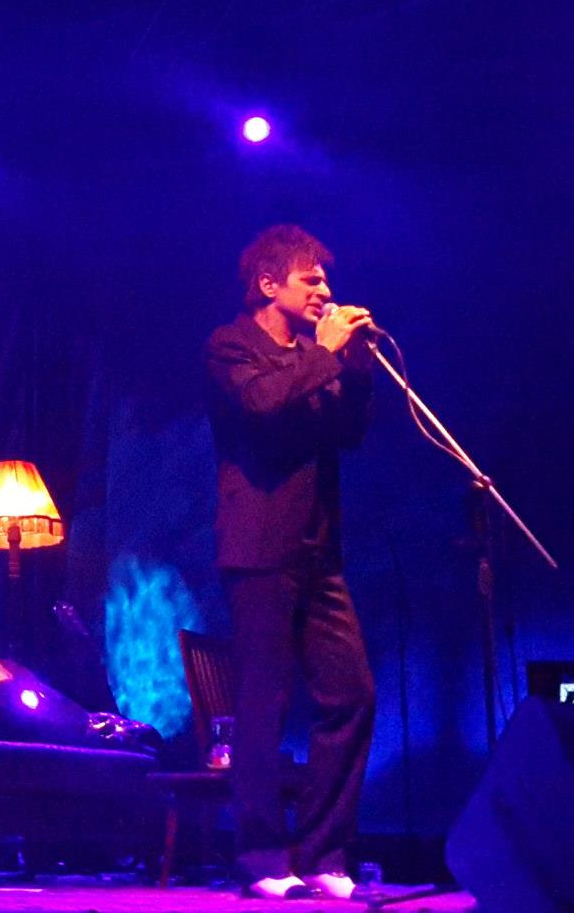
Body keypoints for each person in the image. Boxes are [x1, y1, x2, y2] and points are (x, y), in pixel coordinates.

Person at [202, 225, 376, 901]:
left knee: (351, 694)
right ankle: (261, 855)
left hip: (318, 550)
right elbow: (263, 408)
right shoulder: (230, 345)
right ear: (269, 284)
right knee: (263, 702)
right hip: (258, 548)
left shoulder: (314, 354)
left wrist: (353, 366)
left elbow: (347, 433)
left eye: (326, 280)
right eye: (312, 279)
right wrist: (325, 354)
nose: (325, 290)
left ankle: (324, 851)